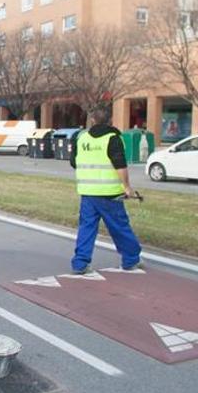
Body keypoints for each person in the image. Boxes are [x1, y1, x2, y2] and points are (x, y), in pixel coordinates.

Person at [69, 108, 142, 274]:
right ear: (110, 121)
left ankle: (80, 263)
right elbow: (120, 165)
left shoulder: (81, 138)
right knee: (119, 227)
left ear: (92, 120)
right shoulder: (113, 138)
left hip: (88, 192)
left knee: (86, 228)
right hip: (109, 193)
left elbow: (74, 162)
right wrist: (127, 187)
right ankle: (131, 259)